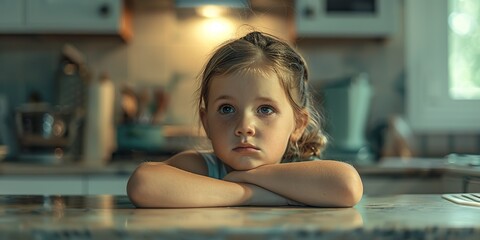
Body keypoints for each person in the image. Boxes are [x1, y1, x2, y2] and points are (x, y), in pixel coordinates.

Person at [127, 31, 363, 208]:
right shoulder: (204, 168)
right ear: (206, 121)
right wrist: (249, 191)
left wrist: (248, 176)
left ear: (298, 124)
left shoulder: (301, 169)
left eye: (265, 110)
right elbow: (143, 183)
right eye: (227, 109)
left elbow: (348, 186)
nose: (244, 127)